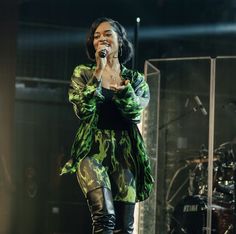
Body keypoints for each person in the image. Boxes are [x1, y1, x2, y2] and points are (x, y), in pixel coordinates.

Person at [60, 17, 154, 234]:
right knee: (104, 216)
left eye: (107, 34)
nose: (101, 39)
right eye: (96, 36)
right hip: (92, 150)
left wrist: (126, 91)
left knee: (125, 226)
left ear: (120, 41)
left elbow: (135, 112)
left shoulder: (135, 79)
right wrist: (98, 73)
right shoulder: (83, 73)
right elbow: (83, 110)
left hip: (125, 153)